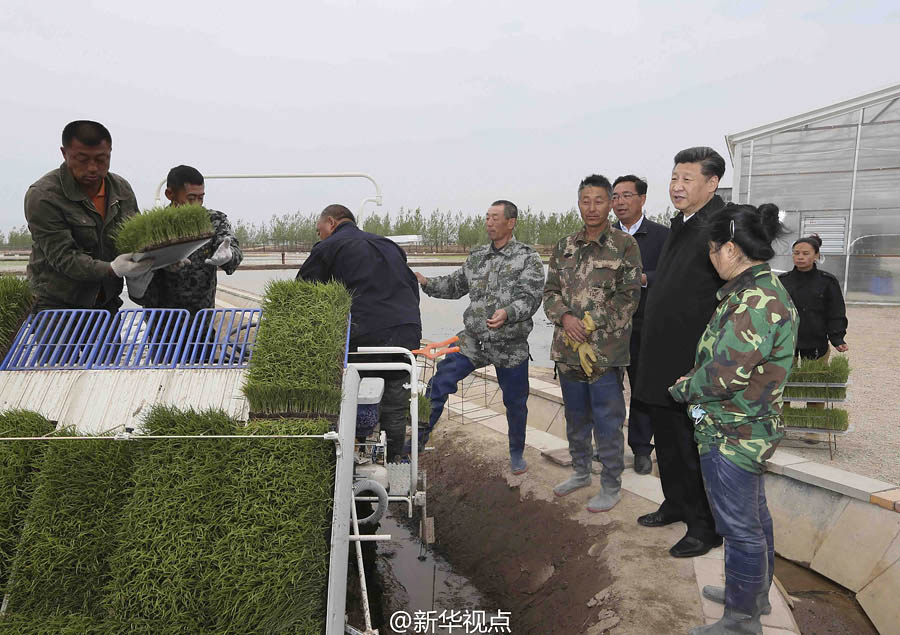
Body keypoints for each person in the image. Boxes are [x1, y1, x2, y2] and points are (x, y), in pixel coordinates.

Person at [669, 203, 797, 635]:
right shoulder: (759, 291)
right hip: (748, 425)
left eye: (711, 251)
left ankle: (742, 621)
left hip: (733, 431)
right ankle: (752, 596)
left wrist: (683, 388)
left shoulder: (754, 301)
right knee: (755, 519)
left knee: (741, 528)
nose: (710, 258)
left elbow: (724, 375)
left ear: (729, 248)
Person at [633, 146, 726, 558]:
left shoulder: (720, 227)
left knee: (693, 444)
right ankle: (675, 502)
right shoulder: (682, 224)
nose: (677, 186)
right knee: (667, 439)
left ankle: (704, 527)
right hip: (660, 357)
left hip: (692, 361)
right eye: (674, 177)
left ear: (712, 183)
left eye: (688, 178)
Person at [413, 200, 544, 474]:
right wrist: (426, 283)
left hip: (510, 344)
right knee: (440, 382)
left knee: (516, 402)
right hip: (473, 341)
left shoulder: (527, 258)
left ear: (511, 222)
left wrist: (508, 313)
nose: (489, 222)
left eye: (495, 217)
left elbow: (531, 298)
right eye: (487, 217)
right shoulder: (477, 256)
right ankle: (416, 442)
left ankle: (516, 453)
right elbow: (455, 285)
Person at [544, 174, 642, 512]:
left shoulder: (625, 245)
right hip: (568, 351)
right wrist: (567, 319)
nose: (592, 207)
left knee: (608, 420)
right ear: (578, 203)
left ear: (610, 203)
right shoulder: (565, 246)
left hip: (606, 353)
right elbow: (550, 293)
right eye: (585, 201)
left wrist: (590, 323)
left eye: (599, 200)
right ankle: (581, 471)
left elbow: (629, 298)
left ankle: (611, 484)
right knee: (575, 417)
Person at [298, 204, 422, 462]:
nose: (319, 236)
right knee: (395, 406)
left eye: (320, 231)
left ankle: (348, 459)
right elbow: (410, 286)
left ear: (331, 223)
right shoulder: (388, 246)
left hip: (364, 336)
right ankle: (394, 463)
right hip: (405, 334)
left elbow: (302, 295)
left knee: (347, 401)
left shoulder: (330, 247)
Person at [25, 120, 152, 314]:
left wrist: (164, 255)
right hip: (57, 307)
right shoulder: (44, 195)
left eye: (101, 159)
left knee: (108, 346)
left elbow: (136, 239)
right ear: (64, 153)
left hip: (106, 305)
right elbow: (63, 257)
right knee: (60, 347)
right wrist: (112, 269)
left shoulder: (121, 189)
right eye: (82, 159)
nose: (93, 168)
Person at [604, 174, 669, 475]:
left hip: (645, 325)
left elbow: (673, 275)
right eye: (615, 196)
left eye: (626, 195)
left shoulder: (662, 236)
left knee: (642, 389)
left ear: (642, 199)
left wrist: (644, 279)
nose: (619, 202)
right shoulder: (602, 236)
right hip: (607, 328)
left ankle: (642, 449)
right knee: (607, 390)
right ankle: (608, 447)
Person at [130, 165, 243, 317]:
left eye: (200, 198)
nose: (196, 204)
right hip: (163, 323)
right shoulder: (154, 226)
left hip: (202, 320)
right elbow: (140, 275)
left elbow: (230, 247)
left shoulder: (213, 220)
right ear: (170, 194)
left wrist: (229, 255)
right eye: (190, 198)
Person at [778, 235, 848, 360]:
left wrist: (837, 338)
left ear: (816, 255)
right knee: (785, 376)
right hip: (786, 341)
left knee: (814, 376)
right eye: (796, 253)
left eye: (806, 253)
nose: (800, 257)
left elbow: (836, 311)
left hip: (816, 340)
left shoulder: (827, 281)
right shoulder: (782, 281)